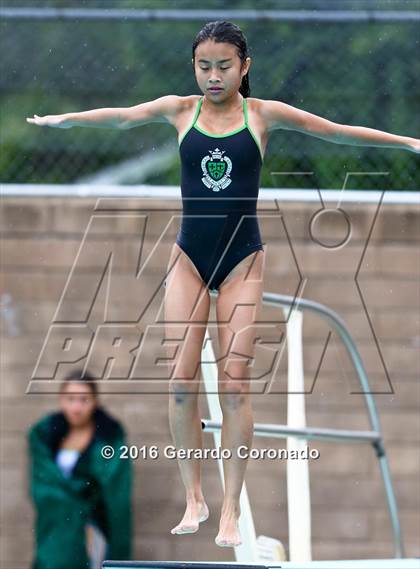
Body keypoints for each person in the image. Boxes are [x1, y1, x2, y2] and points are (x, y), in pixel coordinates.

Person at [26, 20, 419, 548]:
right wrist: (67, 121)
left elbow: (333, 130)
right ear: (194, 66)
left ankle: (232, 506)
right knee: (180, 382)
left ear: (245, 67)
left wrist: (408, 141)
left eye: (224, 66)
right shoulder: (180, 110)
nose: (213, 76)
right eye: (204, 66)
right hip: (189, 257)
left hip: (242, 258)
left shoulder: (261, 115)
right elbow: (121, 119)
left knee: (234, 385)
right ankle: (195, 496)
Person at [27, 369, 132, 568]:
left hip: (93, 526)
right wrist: (72, 494)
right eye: (71, 399)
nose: (76, 407)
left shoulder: (108, 437)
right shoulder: (47, 433)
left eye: (84, 399)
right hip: (55, 528)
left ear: (94, 401)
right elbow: (43, 482)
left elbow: (114, 489)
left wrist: (84, 498)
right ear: (61, 400)